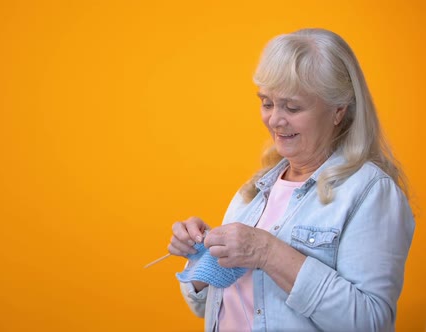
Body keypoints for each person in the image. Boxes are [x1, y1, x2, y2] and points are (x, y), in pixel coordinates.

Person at [168, 28, 415, 332]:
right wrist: (200, 257)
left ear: (338, 109)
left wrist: (267, 251)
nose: (274, 120)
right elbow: (212, 305)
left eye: (292, 107)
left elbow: (370, 323)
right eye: (267, 103)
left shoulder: (370, 193)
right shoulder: (255, 191)